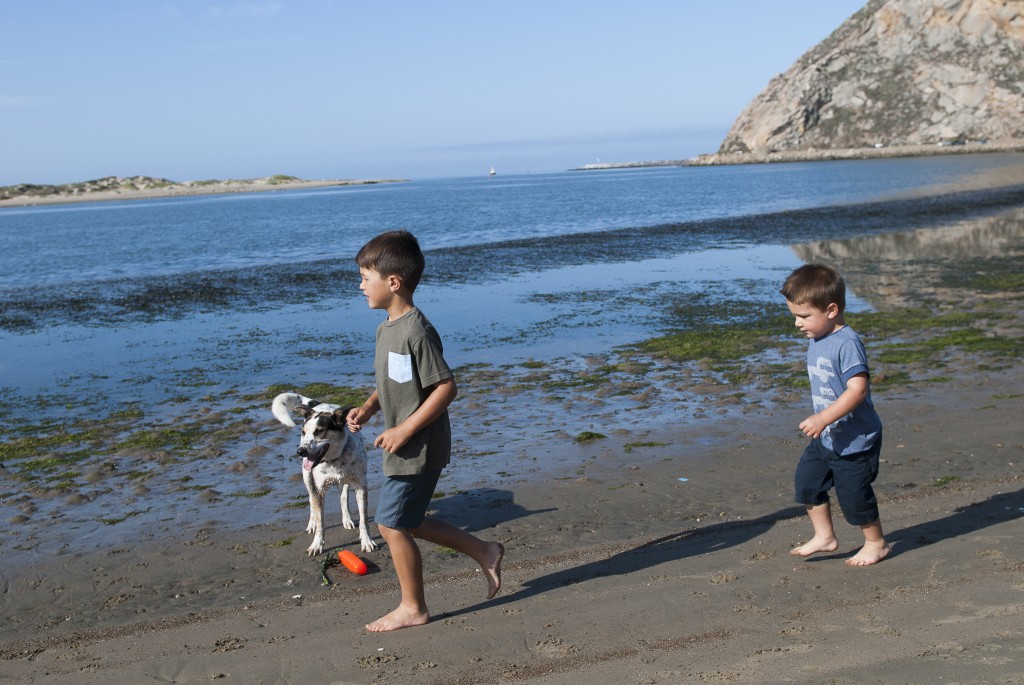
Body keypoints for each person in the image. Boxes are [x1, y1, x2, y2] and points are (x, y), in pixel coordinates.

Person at [346, 229, 504, 631]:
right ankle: (484, 550)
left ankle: (413, 607)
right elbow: (393, 381)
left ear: (393, 282)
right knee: (409, 519)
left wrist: (404, 430)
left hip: (419, 445)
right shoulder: (387, 329)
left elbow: (445, 386)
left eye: (366, 278)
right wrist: (367, 408)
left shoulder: (416, 330)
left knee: (390, 523)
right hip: (404, 443)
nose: (360, 285)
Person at [780, 264, 890, 567]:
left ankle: (876, 543)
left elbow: (857, 391)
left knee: (854, 497)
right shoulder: (817, 339)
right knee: (807, 484)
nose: (797, 324)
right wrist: (824, 424)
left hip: (856, 441)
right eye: (794, 316)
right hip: (828, 438)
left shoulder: (847, 343)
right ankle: (825, 536)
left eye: (803, 317)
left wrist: (823, 418)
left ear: (831, 310)